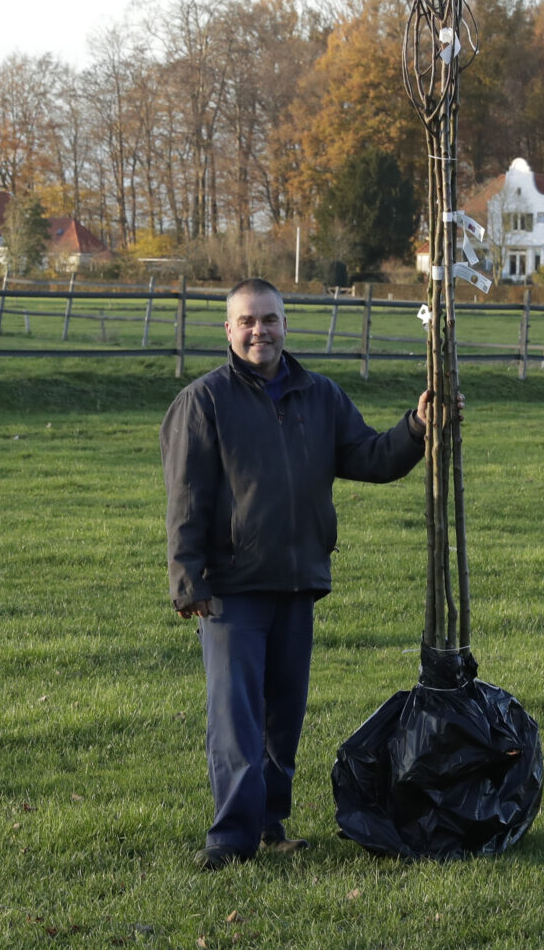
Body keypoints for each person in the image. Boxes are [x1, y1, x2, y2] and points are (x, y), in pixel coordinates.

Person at [162, 277, 441, 870]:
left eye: (269, 319)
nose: (259, 330)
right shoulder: (204, 401)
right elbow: (186, 497)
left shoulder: (320, 395)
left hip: (298, 582)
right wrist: (188, 580)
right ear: (229, 330)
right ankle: (230, 838)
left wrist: (416, 429)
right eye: (247, 321)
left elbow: (368, 457)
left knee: (282, 717)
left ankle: (269, 824)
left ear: (285, 324)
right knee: (236, 719)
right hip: (232, 589)